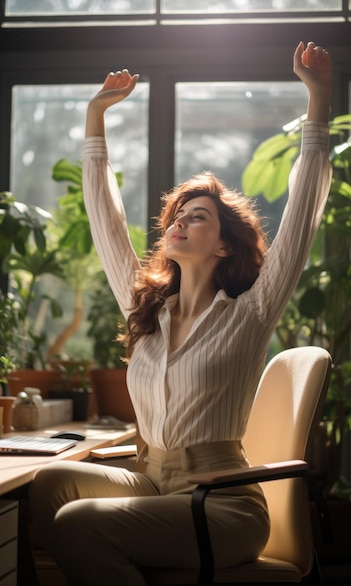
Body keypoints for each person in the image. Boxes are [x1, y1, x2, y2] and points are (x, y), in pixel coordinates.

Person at [29, 41, 332, 585]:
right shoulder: (147, 310)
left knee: (77, 521)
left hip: (221, 504)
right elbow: (107, 225)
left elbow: (303, 217)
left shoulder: (252, 310)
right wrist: (94, 117)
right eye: (177, 215)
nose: (179, 223)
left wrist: (319, 99)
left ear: (223, 246)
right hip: (151, 482)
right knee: (50, 485)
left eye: (198, 218)